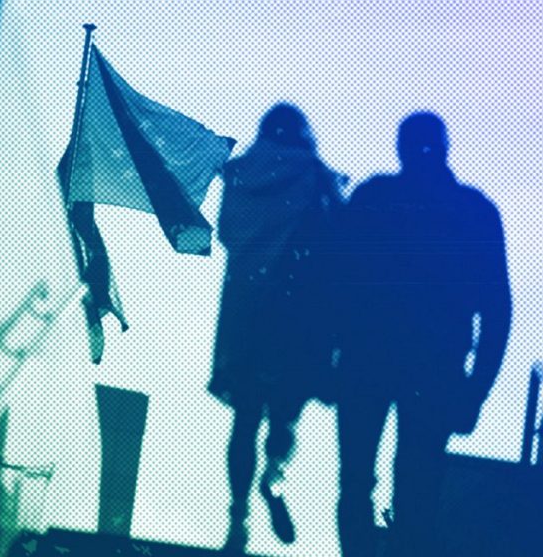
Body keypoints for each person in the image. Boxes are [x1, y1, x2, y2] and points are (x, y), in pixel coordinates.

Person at [334, 112, 511, 557]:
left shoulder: (374, 198)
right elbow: (497, 312)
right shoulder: (474, 213)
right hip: (432, 371)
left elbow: (331, 283)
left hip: (368, 363)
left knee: (358, 482)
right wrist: (476, 390)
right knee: (415, 490)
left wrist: (324, 357)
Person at [210, 103, 343, 553]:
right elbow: (338, 238)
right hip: (297, 317)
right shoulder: (313, 174)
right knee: (285, 415)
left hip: (246, 314)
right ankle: (275, 477)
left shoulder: (240, 176)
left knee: (245, 419)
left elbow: (227, 234)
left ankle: (238, 516)